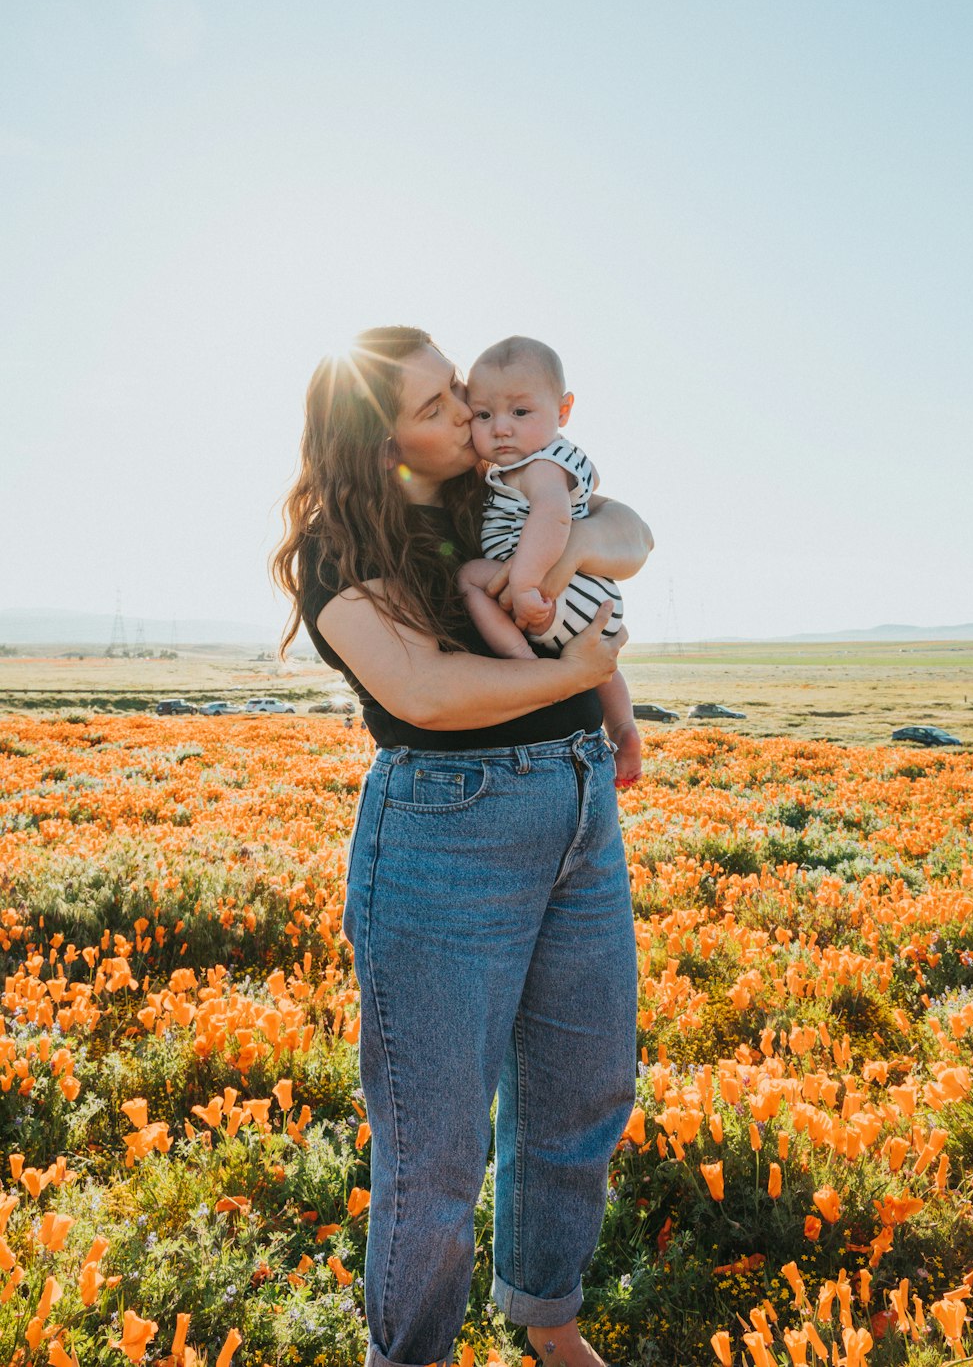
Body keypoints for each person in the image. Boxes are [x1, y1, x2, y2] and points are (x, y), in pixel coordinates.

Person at [271, 326, 652, 1367]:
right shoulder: (337, 554)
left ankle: (548, 1318)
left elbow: (632, 530)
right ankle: (413, 1357)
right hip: (448, 829)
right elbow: (426, 693)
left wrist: (559, 537)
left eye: (463, 397)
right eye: (437, 408)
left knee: (583, 1091)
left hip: (577, 807)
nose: (469, 419)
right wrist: (575, 675)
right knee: (436, 1148)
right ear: (374, 439)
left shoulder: (487, 488)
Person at [457, 336, 642, 787]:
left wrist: (523, 585)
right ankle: (623, 728)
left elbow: (553, 518)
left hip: (553, 593)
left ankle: (522, 658)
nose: (501, 428)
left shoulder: (540, 465)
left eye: (520, 413)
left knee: (467, 578)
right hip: (590, 603)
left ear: (563, 411)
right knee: (600, 663)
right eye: (484, 414)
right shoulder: (546, 460)